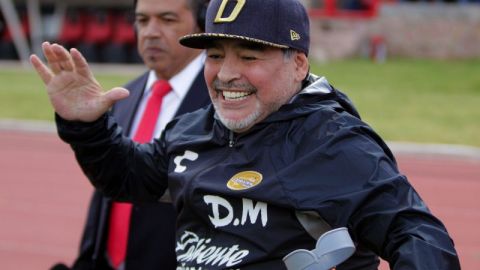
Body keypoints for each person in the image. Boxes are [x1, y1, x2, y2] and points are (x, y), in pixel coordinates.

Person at [31, 0, 461, 269]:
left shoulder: (334, 143)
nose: (227, 73)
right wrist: (87, 125)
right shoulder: (195, 128)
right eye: (215, 55)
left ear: (298, 65)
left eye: (249, 55)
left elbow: (419, 238)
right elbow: (130, 180)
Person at [50, 0, 210, 269]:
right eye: (143, 20)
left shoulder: (222, 104)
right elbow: (107, 192)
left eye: (168, 20)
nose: (150, 32)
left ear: (201, 26)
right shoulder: (121, 97)